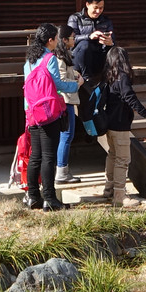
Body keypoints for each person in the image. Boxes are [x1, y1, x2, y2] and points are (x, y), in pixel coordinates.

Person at [22, 22, 81, 211]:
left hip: (32, 112)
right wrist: (77, 84)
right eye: (56, 37)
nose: (57, 41)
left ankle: (33, 197)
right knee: (48, 157)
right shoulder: (50, 59)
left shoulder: (29, 61)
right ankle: (49, 198)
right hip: (48, 113)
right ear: (50, 40)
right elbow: (59, 85)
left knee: (35, 156)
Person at [94, 46, 146, 208]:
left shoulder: (108, 76)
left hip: (109, 123)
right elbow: (129, 96)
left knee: (112, 155)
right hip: (120, 125)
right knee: (122, 160)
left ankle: (109, 189)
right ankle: (120, 196)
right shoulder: (122, 77)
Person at [54, 25, 82, 185]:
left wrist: (75, 75)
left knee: (66, 136)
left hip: (67, 99)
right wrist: (78, 83)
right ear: (64, 40)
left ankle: (62, 170)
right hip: (65, 100)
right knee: (66, 135)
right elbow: (61, 81)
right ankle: (61, 171)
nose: (75, 39)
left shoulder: (64, 55)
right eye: (72, 37)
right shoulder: (60, 58)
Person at [69, 0, 115, 85]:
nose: (98, 11)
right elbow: (70, 40)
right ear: (87, 5)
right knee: (85, 44)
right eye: (95, 8)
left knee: (116, 50)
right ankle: (87, 78)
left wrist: (110, 42)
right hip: (79, 59)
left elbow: (113, 40)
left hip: (98, 58)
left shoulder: (106, 21)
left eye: (101, 8)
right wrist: (89, 36)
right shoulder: (75, 18)